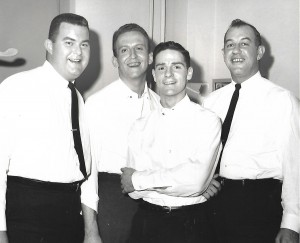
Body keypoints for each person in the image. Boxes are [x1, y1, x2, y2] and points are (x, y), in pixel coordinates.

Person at [0, 13, 101, 243]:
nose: (78, 52)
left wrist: (91, 230)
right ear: (49, 46)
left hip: (69, 219)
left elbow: (86, 169)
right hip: (26, 219)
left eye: (84, 44)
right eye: (69, 43)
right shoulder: (17, 87)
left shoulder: (78, 98)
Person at [203, 19, 300, 243]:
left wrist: (291, 224)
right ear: (223, 52)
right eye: (229, 44)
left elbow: (295, 166)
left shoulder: (283, 101)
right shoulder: (210, 102)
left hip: (259, 207)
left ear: (259, 51)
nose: (235, 50)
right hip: (214, 207)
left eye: (244, 43)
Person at [121, 41, 221, 243]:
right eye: (161, 67)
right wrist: (181, 180)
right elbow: (132, 192)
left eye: (176, 66)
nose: (168, 74)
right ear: (154, 75)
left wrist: (140, 180)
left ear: (189, 73)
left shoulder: (208, 121)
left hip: (192, 225)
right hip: (146, 224)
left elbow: (195, 181)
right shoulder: (139, 126)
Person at [84, 23, 160, 243]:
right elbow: (89, 176)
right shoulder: (97, 104)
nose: (133, 56)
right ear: (115, 60)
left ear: (150, 56)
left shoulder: (160, 105)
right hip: (112, 204)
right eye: (124, 50)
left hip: (153, 201)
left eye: (139, 48)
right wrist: (91, 231)